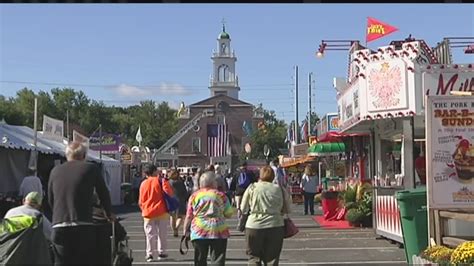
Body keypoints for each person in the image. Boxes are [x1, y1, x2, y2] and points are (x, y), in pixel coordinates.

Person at [48, 141, 113, 266]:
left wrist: (57, 215)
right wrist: (108, 213)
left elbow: (51, 199)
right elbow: (103, 193)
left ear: (66, 156)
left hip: (59, 225)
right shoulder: (91, 168)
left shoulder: (55, 171)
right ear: (84, 156)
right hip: (83, 224)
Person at [241, 166, 291, 265]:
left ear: (260, 175)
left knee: (253, 257)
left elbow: (243, 208)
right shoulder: (280, 189)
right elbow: (288, 209)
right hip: (275, 225)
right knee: (272, 258)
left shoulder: (252, 187)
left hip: (254, 225)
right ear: (273, 176)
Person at [183, 171, 234, 266]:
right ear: (212, 183)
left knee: (200, 259)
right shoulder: (221, 196)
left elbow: (189, 215)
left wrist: (185, 229)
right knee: (218, 258)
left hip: (199, 230)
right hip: (218, 230)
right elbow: (229, 214)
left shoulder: (194, 196)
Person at [139, 163, 173, 262]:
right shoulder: (161, 181)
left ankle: (149, 254)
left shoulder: (143, 184)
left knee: (149, 234)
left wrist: (143, 208)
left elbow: (141, 200)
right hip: (161, 210)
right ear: (154, 171)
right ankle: (162, 252)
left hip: (148, 212)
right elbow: (169, 193)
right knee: (162, 234)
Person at [168, 169, 189, 238]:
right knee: (180, 216)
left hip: (171, 200)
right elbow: (185, 192)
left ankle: (174, 230)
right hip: (180, 200)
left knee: (172, 216)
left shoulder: (168, 182)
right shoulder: (180, 182)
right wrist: (186, 198)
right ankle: (176, 228)